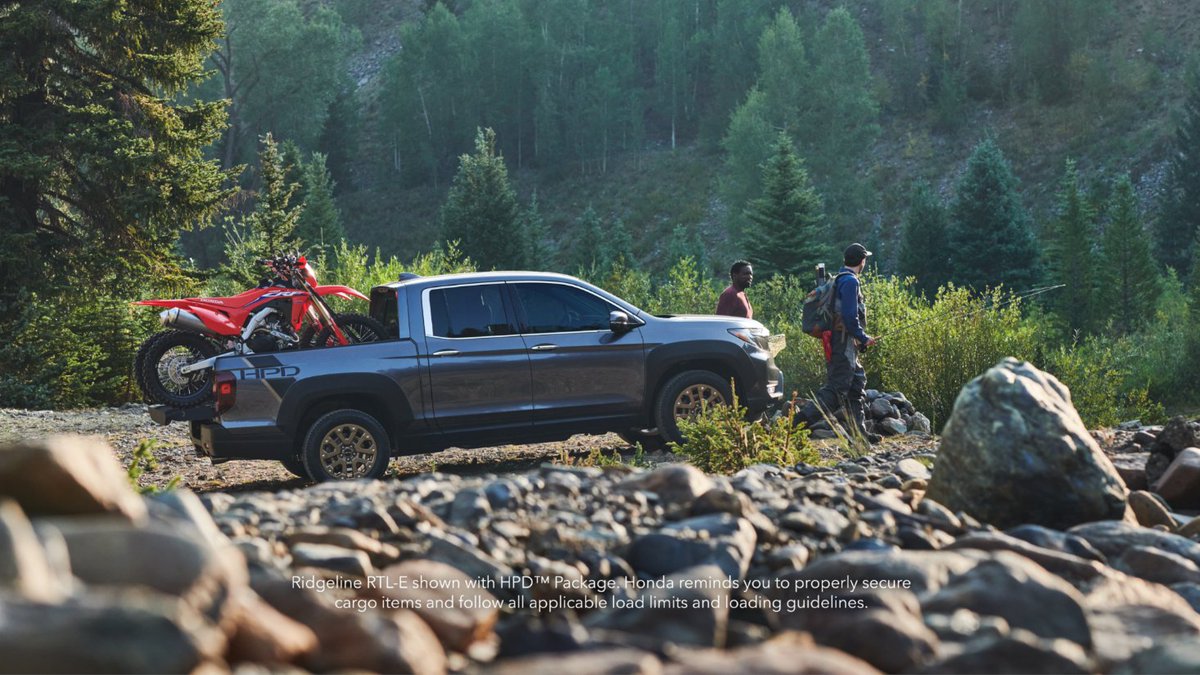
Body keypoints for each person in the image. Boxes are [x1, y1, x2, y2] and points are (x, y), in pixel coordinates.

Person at [797, 243, 881, 444]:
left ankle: (859, 434)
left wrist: (858, 340)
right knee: (835, 390)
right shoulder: (850, 282)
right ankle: (794, 425)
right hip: (842, 342)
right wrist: (863, 338)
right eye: (865, 260)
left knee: (856, 384)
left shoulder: (840, 278)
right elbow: (850, 317)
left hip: (843, 341)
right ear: (862, 261)